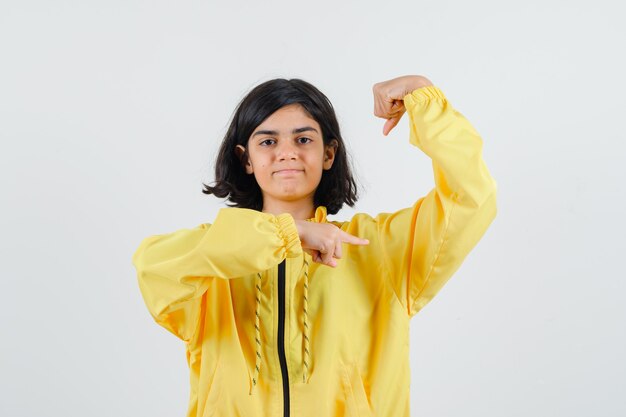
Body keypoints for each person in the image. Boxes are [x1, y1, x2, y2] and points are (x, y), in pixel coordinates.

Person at [131, 74, 497, 417]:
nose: (287, 152)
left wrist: (423, 98)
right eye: (268, 141)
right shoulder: (212, 257)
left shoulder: (379, 247)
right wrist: (288, 235)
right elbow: (151, 266)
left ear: (328, 154)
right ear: (246, 158)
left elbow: (470, 198)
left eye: (303, 139)